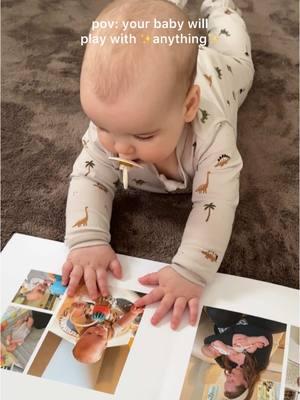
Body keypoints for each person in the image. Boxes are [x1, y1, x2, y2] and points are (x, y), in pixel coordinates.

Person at [62, 0, 255, 329]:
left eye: (143, 134)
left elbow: (216, 202)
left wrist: (190, 271)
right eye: (102, 125)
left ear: (189, 106)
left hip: (218, 72)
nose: (118, 146)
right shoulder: (111, 127)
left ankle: (220, 5)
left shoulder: (213, 140)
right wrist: (87, 239)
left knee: (236, 50)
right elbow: (88, 179)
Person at [203, 307, 286, 399]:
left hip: (228, 324)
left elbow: (208, 341)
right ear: (245, 384)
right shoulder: (259, 364)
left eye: (227, 381)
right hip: (255, 322)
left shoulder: (225, 364)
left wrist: (233, 339)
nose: (228, 377)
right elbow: (266, 335)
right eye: (232, 381)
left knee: (215, 312)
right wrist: (246, 340)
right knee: (286, 323)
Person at [72, 304, 143, 363]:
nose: (96, 331)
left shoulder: (83, 328)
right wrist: (133, 313)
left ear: (80, 337)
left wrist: (79, 309)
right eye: (99, 336)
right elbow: (122, 323)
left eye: (89, 333)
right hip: (115, 317)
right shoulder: (110, 333)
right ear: (105, 343)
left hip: (98, 308)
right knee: (129, 324)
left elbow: (77, 317)